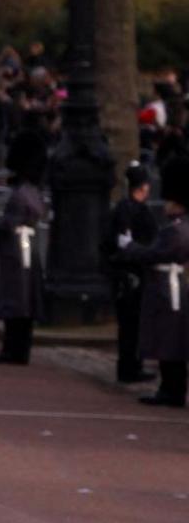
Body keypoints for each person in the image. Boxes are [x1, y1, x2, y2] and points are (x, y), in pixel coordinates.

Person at [117, 160, 189, 408]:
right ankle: (170, 388)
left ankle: (171, 390)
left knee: (168, 339)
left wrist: (129, 247)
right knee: (171, 339)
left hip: (166, 288)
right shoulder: (179, 228)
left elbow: (153, 254)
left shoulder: (176, 231)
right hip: (172, 284)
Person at [0, 129, 49, 366]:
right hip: (29, 248)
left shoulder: (19, 194)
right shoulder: (34, 192)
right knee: (26, 301)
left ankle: (11, 349)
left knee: (14, 299)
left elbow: (8, 224)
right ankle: (21, 349)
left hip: (14, 249)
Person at [109, 163, 160, 385]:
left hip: (133, 271)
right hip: (132, 272)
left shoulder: (126, 208)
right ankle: (129, 368)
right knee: (131, 324)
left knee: (133, 324)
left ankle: (132, 365)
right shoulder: (131, 210)